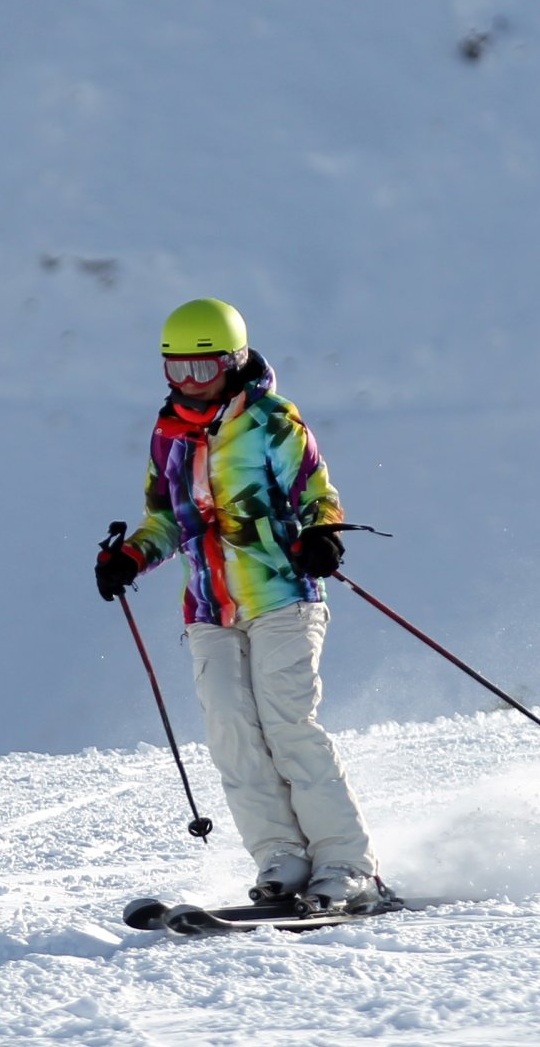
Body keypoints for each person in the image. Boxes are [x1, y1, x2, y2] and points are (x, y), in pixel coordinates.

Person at [98, 298, 391, 913]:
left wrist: (321, 533)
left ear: (232, 363)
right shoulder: (169, 433)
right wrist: (130, 557)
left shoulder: (271, 419)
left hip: (281, 593)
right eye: (178, 370)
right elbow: (169, 518)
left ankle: (346, 864)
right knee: (230, 732)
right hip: (208, 607)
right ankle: (280, 855)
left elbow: (315, 489)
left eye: (204, 371)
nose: (192, 384)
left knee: (288, 726)